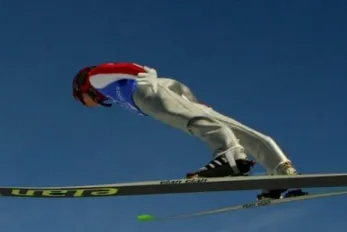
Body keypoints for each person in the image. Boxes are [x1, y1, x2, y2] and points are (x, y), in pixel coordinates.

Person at [72, 62, 302, 200]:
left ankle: (229, 156)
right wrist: (198, 105)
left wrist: (146, 75)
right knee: (232, 127)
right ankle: (280, 168)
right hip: (164, 90)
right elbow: (178, 91)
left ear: (82, 88)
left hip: (146, 92)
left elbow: (124, 68)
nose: (85, 104)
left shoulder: (95, 78)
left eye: (81, 99)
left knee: (186, 119)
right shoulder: (110, 90)